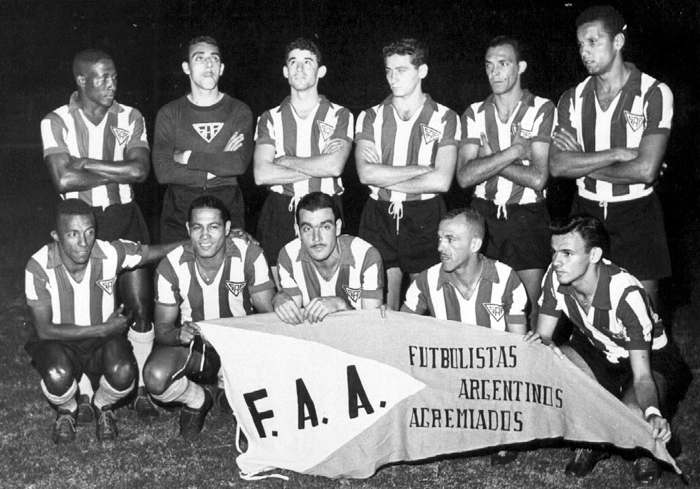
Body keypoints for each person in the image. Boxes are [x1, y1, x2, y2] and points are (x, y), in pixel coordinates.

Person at [40, 49, 158, 419]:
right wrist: (116, 169)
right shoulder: (56, 121)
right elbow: (63, 179)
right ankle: (89, 391)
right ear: (81, 80)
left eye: (114, 77)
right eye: (102, 78)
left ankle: (139, 389)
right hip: (82, 223)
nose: (112, 85)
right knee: (87, 308)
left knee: (140, 304)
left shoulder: (130, 116)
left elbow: (139, 172)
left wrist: (86, 163)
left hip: (126, 215)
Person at [526, 215, 687, 484]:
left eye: (567, 253)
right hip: (597, 347)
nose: (556, 262)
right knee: (555, 370)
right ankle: (593, 442)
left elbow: (643, 376)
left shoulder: (626, 294)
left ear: (595, 254)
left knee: (634, 417)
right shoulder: (555, 278)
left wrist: (652, 413)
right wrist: (543, 351)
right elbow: (543, 337)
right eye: (554, 252)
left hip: (648, 360)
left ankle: (651, 445)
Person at [24, 199, 184, 444]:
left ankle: (102, 405)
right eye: (73, 234)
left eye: (89, 232)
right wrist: (103, 328)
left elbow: (154, 252)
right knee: (57, 374)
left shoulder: (108, 252)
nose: (83, 243)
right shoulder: (38, 266)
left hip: (101, 344)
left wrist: (197, 241)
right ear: (56, 236)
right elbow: (44, 330)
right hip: (59, 342)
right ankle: (66, 410)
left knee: (124, 372)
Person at [549, 5, 673, 309]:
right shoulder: (573, 97)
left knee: (643, 314)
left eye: (593, 42)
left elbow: (645, 170)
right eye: (580, 44)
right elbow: (557, 165)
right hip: (586, 211)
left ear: (618, 42)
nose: (584, 52)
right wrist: (617, 154)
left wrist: (582, 163)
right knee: (589, 308)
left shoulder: (654, 93)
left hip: (637, 213)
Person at [402, 207, 527, 466]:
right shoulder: (426, 280)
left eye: (450, 239)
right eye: (439, 238)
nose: (441, 247)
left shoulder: (506, 279)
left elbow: (519, 350)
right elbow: (400, 331)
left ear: (475, 244)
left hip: (494, 375)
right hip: (450, 373)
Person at [143, 195, 275, 439]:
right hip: (198, 348)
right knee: (155, 377)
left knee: (250, 413)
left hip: (240, 344)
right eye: (197, 227)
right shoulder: (171, 265)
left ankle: (236, 391)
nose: (204, 236)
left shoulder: (249, 254)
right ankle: (198, 399)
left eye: (213, 227)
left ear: (226, 228)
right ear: (188, 229)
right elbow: (162, 328)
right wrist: (177, 334)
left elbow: (269, 317)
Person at [456, 36, 554, 326]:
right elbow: (464, 177)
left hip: (528, 216)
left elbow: (537, 178)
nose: (495, 72)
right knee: (484, 303)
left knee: (530, 309)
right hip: (483, 214)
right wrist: (512, 152)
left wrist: (489, 161)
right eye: (489, 66)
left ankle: (531, 371)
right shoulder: (474, 112)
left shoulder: (542, 108)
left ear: (520, 67)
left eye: (503, 64)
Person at [355, 38, 459, 311]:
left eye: (401, 70)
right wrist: (419, 169)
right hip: (379, 213)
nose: (392, 78)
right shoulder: (370, 116)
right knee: (379, 306)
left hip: (424, 213)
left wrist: (385, 174)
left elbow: (441, 181)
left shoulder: (445, 117)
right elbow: (366, 174)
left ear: (422, 71)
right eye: (388, 70)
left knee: (424, 304)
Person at [254, 38, 353, 285]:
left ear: (321, 71)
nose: (300, 69)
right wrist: (317, 164)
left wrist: (284, 160)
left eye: (307, 62)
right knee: (282, 292)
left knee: (328, 285)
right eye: (293, 62)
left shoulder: (340, 114)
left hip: (326, 205)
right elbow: (262, 174)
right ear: (286, 72)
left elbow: (334, 167)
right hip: (280, 208)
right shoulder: (269, 118)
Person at [153, 35, 253, 243]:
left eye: (214, 59)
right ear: (186, 67)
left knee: (227, 274)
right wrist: (218, 163)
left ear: (222, 68)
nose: (209, 64)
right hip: (179, 211)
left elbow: (237, 164)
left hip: (226, 208)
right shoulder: (169, 113)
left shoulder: (238, 110)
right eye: (199, 58)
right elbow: (163, 171)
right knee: (176, 274)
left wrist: (187, 156)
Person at [274, 191, 384, 324]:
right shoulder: (288, 256)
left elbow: (372, 325)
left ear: (337, 227)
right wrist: (279, 298)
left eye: (325, 227)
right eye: (307, 229)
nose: (316, 238)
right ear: (297, 231)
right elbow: (294, 323)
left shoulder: (367, 256)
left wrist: (341, 305)